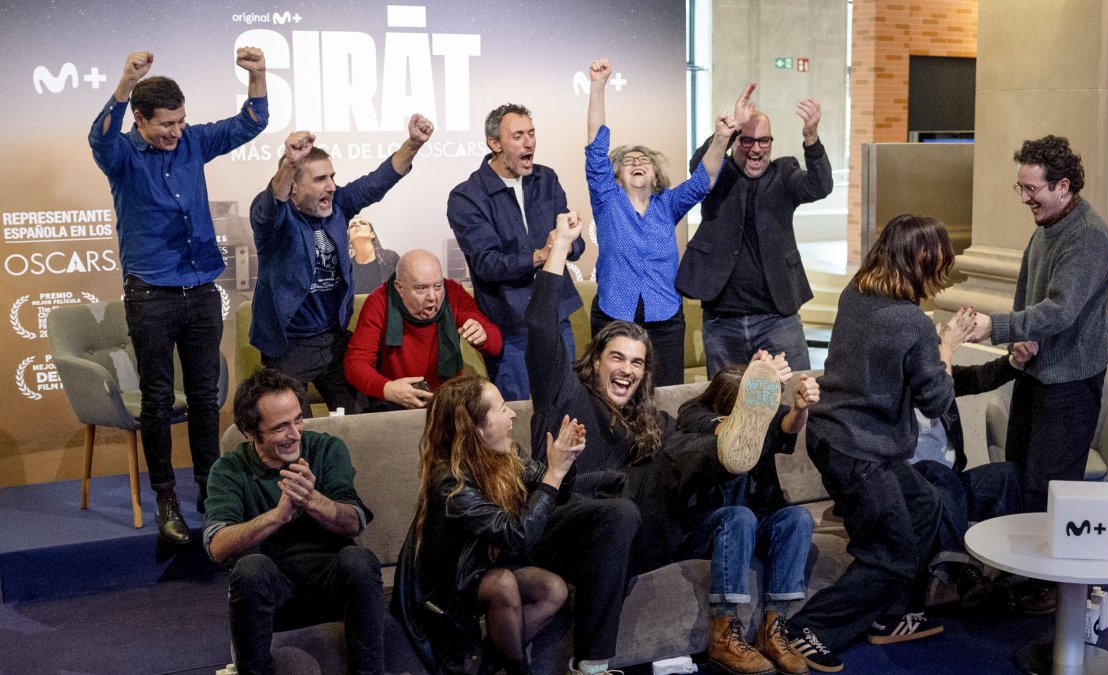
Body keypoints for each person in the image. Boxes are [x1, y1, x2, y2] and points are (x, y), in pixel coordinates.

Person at [529, 213, 809, 675]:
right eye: (616, 357)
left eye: (637, 363)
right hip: (575, 522)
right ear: (595, 360)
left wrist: (763, 415)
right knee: (650, 480)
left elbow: (682, 447)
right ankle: (733, 433)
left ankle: (741, 425)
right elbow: (541, 327)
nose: (626, 369)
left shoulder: (648, 418)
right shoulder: (566, 394)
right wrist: (560, 245)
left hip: (640, 532)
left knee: (705, 477)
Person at [88, 48, 268, 544]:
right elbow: (97, 134)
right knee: (158, 401)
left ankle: (212, 497)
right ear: (140, 120)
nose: (176, 132)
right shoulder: (121, 154)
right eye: (165, 124)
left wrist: (257, 75)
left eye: (181, 121)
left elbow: (251, 122)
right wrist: (125, 81)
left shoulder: (192, 142)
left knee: (207, 398)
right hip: (151, 295)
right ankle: (167, 501)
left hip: (202, 290)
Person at [785, 215, 969, 672]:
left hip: (835, 437)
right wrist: (948, 346)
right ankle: (805, 629)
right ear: (922, 259)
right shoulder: (912, 323)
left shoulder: (857, 293)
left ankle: (889, 616)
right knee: (892, 554)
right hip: (859, 450)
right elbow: (936, 399)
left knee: (925, 504)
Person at [391, 376, 583, 675]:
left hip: (487, 567)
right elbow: (517, 535)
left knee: (553, 589)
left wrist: (565, 463)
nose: (513, 415)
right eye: (502, 408)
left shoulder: (507, 453)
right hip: (448, 586)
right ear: (477, 429)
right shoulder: (450, 483)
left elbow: (554, 493)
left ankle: (485, 666)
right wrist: (554, 473)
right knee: (504, 583)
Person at [967, 135, 1108, 513]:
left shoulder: (1087, 237)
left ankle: (1039, 574)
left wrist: (996, 327)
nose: (1024, 198)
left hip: (1069, 386)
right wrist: (1018, 344)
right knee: (1020, 479)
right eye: (1021, 187)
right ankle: (1014, 569)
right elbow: (1029, 296)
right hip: (1037, 375)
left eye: (1032, 189)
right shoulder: (1047, 226)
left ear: (1063, 186)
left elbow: (1060, 311)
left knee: (1045, 494)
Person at [203, 369, 383, 675]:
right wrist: (277, 516)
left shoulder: (327, 449)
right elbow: (217, 546)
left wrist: (313, 501)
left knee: (359, 560)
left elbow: (354, 523)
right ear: (250, 431)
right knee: (250, 569)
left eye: (298, 419)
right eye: (280, 427)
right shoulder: (229, 469)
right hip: (275, 586)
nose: (295, 434)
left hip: (330, 578)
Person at [249, 121, 433, 417]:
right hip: (288, 348)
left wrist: (413, 144)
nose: (331, 186)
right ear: (294, 185)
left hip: (333, 340)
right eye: (320, 179)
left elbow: (378, 181)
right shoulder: (276, 223)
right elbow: (269, 207)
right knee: (297, 431)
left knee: (363, 420)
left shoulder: (338, 206)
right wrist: (289, 164)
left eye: (332, 177)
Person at [584, 58, 737, 385]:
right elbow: (596, 149)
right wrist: (598, 86)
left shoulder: (667, 203)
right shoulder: (607, 201)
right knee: (612, 399)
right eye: (629, 162)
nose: (637, 163)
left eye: (645, 161)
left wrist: (722, 137)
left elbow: (703, 180)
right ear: (617, 176)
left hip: (665, 319)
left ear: (655, 175)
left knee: (665, 399)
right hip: (614, 316)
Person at [675, 83, 835, 378]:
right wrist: (730, 130)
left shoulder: (784, 174)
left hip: (776, 318)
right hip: (723, 318)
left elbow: (821, 185)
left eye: (764, 141)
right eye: (747, 141)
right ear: (737, 142)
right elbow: (698, 165)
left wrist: (811, 138)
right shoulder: (717, 174)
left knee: (793, 394)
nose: (756, 149)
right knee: (725, 401)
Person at [675, 354, 820, 675]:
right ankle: (724, 634)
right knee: (739, 516)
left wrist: (798, 409)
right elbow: (723, 429)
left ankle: (773, 630)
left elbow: (786, 426)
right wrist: (752, 402)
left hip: (757, 521)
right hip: (709, 524)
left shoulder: (762, 416)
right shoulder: (692, 413)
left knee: (798, 518)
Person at [447, 103, 586, 401]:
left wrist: (569, 239)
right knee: (522, 417)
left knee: (568, 408)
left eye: (532, 134)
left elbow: (576, 247)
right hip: (512, 328)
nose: (529, 142)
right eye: (518, 136)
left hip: (556, 317)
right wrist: (544, 253)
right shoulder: (466, 196)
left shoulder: (546, 179)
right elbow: (488, 264)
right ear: (494, 143)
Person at [910, 343, 1037, 608]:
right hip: (911, 489)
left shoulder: (939, 381)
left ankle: (1009, 574)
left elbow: (981, 376)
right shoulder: (888, 388)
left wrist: (1015, 361)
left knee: (1008, 475)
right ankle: (956, 574)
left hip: (951, 484)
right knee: (937, 472)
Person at [343, 249, 501, 410]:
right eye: (421, 288)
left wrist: (483, 336)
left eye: (438, 286)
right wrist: (388, 389)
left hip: (446, 401)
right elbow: (355, 363)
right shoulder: (379, 302)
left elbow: (495, 345)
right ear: (399, 288)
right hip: (393, 402)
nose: (433, 296)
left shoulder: (453, 294)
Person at [347, 215, 400, 294]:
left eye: (362, 223)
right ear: (349, 239)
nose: (357, 225)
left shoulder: (391, 258)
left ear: (372, 234)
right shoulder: (346, 268)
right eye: (352, 226)